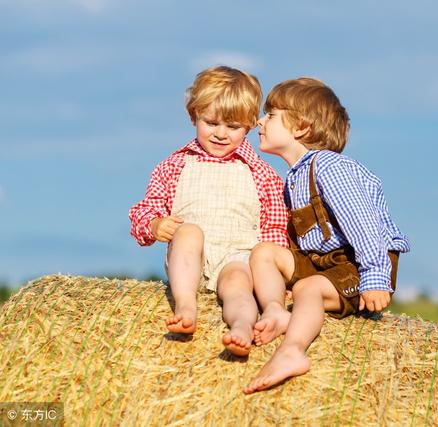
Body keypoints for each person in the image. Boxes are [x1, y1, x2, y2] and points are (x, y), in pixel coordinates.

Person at [244, 77, 409, 393]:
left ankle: (292, 351)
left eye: (271, 116)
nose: (259, 122)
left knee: (309, 288)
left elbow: (364, 223)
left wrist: (375, 276)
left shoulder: (330, 167)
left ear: (301, 128)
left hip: (358, 265)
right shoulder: (295, 178)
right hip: (321, 263)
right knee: (264, 252)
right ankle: (275, 310)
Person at [128, 66, 288, 356]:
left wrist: (278, 281)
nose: (221, 133)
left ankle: (241, 327)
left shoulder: (263, 174)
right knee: (188, 231)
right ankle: (187, 306)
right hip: (190, 260)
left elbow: (274, 232)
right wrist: (154, 225)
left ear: (250, 125)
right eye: (211, 122)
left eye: (233, 126)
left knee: (239, 285)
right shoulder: (173, 166)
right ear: (194, 116)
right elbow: (145, 209)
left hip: (237, 256)